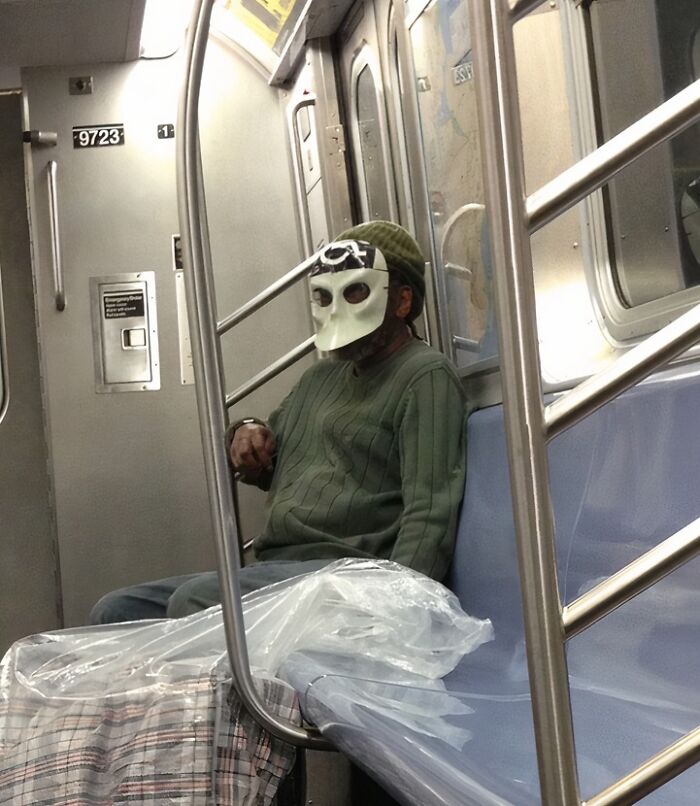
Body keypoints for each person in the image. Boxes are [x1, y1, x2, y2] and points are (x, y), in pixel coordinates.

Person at [90, 221, 466, 624]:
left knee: (197, 602)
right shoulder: (320, 378)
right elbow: (270, 458)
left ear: (403, 300)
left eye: (355, 291)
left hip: (348, 577)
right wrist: (244, 433)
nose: (337, 307)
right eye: (324, 295)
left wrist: (400, 616)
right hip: (279, 568)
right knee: (115, 611)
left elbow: (430, 514)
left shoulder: (425, 376)